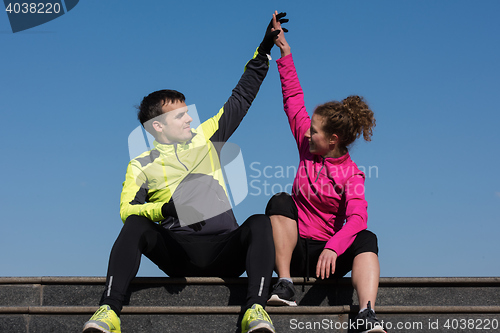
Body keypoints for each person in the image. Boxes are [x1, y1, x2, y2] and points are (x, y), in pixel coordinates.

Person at [82, 12, 289, 333]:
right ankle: (108, 311)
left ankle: (256, 310)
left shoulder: (207, 135)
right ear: (159, 126)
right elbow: (126, 211)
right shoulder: (141, 164)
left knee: (260, 223)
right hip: (179, 250)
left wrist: (262, 50)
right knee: (137, 225)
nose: (190, 119)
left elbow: (242, 97)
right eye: (180, 115)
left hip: (224, 247)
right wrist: (164, 209)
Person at [264, 13, 386, 333]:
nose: (307, 133)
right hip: (295, 250)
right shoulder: (308, 145)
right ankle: (285, 284)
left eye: (314, 131)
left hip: (328, 257)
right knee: (279, 200)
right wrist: (284, 52)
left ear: (332, 140)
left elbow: (358, 218)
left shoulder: (352, 175)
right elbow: (293, 100)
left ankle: (367, 315)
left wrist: (334, 245)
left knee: (366, 238)